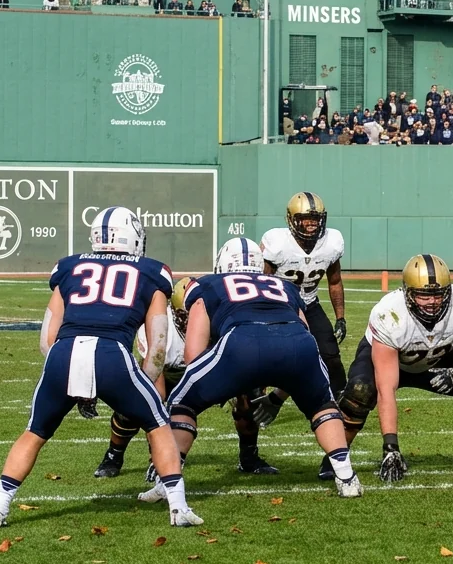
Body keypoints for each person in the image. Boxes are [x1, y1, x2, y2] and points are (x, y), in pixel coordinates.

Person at [0, 206, 201, 528]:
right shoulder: (153, 271)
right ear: (134, 238)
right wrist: (140, 383)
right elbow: (157, 345)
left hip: (64, 354)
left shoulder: (69, 267)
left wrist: (77, 382)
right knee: (157, 423)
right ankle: (178, 507)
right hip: (112, 353)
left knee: (35, 432)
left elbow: (47, 338)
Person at [137, 239, 363, 504]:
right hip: (299, 345)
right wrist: (279, 393)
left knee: (182, 402)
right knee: (322, 405)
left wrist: (218, 383)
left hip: (242, 343)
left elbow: (194, 356)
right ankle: (346, 477)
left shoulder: (207, 285)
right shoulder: (285, 286)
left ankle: (168, 481)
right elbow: (305, 338)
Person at [338, 254, 453, 480]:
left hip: (436, 358)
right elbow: (386, 389)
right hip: (392, 361)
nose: (432, 302)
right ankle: (336, 459)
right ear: (408, 293)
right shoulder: (390, 314)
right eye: (423, 295)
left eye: (438, 294)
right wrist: (390, 447)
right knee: (360, 391)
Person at [93, 277, 276, 478]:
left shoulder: (223, 322)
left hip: (212, 371)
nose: (190, 319)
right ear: (174, 312)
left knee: (251, 397)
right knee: (135, 405)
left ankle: (249, 457)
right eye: (185, 314)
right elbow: (156, 389)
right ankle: (114, 456)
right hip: (169, 374)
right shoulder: (162, 330)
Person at [250, 194, 349, 465]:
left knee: (331, 358)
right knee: (266, 361)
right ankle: (257, 399)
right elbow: (260, 280)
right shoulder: (276, 243)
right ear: (291, 220)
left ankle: (342, 414)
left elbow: (335, 280)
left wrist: (340, 317)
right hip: (279, 307)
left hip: (310, 304)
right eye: (304, 219)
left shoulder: (332, 242)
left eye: (314, 219)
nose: (310, 225)